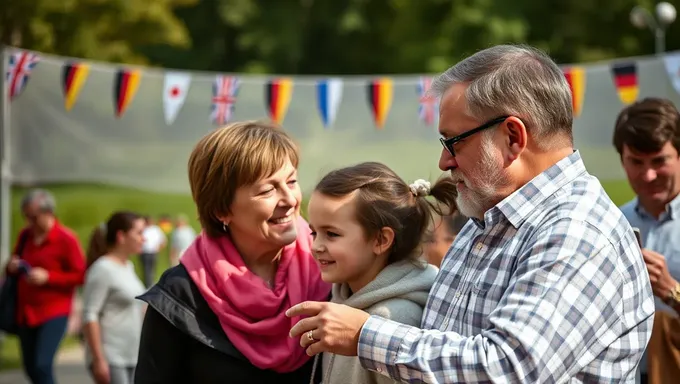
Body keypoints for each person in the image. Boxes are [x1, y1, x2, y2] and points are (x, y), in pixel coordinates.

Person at [286, 44, 655, 383]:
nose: (444, 161)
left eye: (454, 141)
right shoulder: (489, 221)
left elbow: (508, 367)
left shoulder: (577, 231)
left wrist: (366, 335)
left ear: (513, 136)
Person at [134, 120, 331, 383]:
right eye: (268, 189)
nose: (290, 199)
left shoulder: (330, 270)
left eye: (292, 181)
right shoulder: (181, 296)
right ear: (221, 210)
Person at [307, 162, 452, 384]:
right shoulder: (340, 298)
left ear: (381, 240)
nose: (316, 245)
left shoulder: (397, 320)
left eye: (332, 234)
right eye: (313, 232)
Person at [614, 97, 680, 384]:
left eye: (659, 161)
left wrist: (671, 292)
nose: (648, 174)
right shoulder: (614, 222)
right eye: (636, 162)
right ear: (622, 160)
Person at [5, 189, 86, 384]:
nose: (29, 222)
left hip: (53, 310)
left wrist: (48, 277)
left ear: (48, 213)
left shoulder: (66, 239)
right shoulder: (26, 235)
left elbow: (80, 275)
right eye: (26, 216)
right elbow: (15, 262)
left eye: (33, 217)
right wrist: (12, 266)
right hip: (26, 310)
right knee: (30, 367)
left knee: (42, 364)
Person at [82, 212, 147, 384]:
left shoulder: (128, 266)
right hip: (111, 355)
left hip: (131, 354)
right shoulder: (102, 269)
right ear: (121, 236)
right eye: (139, 233)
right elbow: (90, 315)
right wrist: (98, 359)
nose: (144, 239)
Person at [139, 216, 166, 287]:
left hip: (153, 252)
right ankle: (147, 285)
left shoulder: (156, 229)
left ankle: (151, 284)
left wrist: (158, 249)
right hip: (144, 252)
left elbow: (163, 241)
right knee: (146, 269)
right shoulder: (143, 229)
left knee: (152, 269)